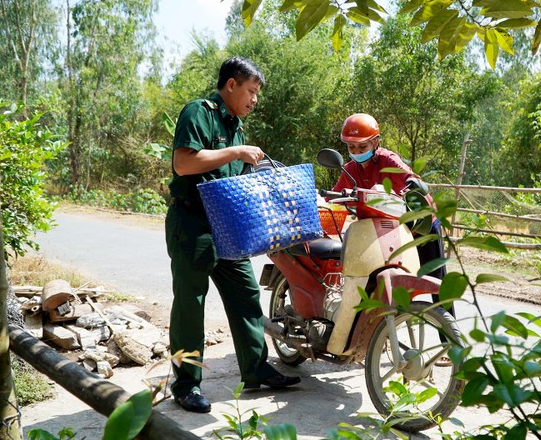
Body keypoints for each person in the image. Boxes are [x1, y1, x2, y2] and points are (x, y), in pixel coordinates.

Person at [166, 57, 300, 414]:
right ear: (231, 85)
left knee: (246, 293)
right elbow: (185, 163)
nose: (255, 99)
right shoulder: (199, 112)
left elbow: (234, 181)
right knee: (190, 305)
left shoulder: (236, 126)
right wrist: (237, 151)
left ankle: (255, 368)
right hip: (192, 223)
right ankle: (185, 384)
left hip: (225, 224)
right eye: (252, 91)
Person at [332, 113, 454, 316]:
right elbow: (335, 197)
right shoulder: (350, 169)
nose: (356, 152)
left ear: (375, 142)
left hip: (418, 227)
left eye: (362, 147)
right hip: (381, 234)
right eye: (351, 148)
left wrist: (406, 190)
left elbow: (413, 179)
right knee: (375, 282)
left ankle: (450, 341)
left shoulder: (388, 160)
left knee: (437, 284)